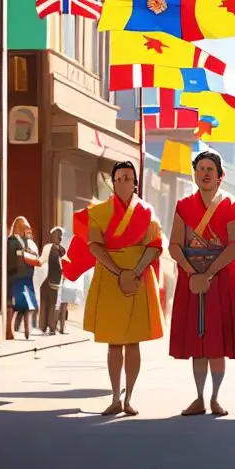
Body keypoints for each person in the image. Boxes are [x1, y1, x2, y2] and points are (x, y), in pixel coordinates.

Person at [62, 161, 164, 416]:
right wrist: (119, 272)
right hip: (110, 275)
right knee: (114, 343)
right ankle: (115, 396)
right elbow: (94, 244)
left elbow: (154, 244)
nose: (123, 182)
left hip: (139, 276)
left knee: (133, 342)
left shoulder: (147, 211)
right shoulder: (100, 212)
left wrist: (136, 271)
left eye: (128, 178)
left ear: (135, 182)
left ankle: (129, 398)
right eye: (118, 178)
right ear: (112, 182)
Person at [167, 151, 235, 417]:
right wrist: (192, 272)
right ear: (195, 173)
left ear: (220, 175)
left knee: (217, 341)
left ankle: (215, 397)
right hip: (192, 277)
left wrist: (210, 272)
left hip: (221, 277)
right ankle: (199, 397)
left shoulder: (231, 206)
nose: (204, 173)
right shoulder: (183, 206)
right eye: (200, 168)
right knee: (197, 342)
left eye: (210, 169)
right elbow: (175, 245)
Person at [7, 217, 40, 341]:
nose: (27, 229)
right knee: (14, 306)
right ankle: (9, 331)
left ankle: (26, 330)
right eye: (25, 227)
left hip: (26, 276)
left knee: (27, 306)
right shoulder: (11, 240)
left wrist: (29, 254)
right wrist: (23, 254)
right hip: (16, 277)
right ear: (18, 226)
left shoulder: (25, 240)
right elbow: (13, 256)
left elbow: (29, 252)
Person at [38, 227, 65, 335]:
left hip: (56, 280)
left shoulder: (62, 250)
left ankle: (52, 328)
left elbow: (64, 264)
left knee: (53, 303)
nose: (57, 237)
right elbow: (42, 260)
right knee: (45, 299)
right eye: (54, 235)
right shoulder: (48, 248)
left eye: (58, 235)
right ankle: (44, 326)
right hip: (48, 278)